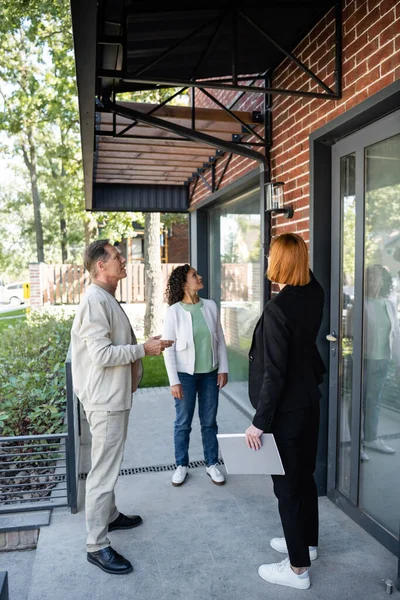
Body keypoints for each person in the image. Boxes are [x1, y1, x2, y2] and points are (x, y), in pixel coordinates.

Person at [71, 239, 173, 575]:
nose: (124, 260)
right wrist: (143, 349)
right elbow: (101, 356)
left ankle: (110, 517)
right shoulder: (94, 300)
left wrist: (144, 348)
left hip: (112, 399)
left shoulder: (103, 297)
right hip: (105, 402)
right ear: (101, 265)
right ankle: (96, 545)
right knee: (103, 471)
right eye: (117, 257)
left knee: (109, 464)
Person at [245, 233, 326, 591]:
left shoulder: (278, 309)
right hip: (309, 402)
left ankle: (296, 570)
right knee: (304, 478)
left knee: (288, 488)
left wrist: (259, 423)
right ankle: (306, 545)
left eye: (270, 256)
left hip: (287, 412)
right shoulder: (315, 291)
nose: (266, 261)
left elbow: (274, 374)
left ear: (279, 262)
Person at [162, 264, 229, 487]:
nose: (199, 277)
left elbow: (219, 338)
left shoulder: (210, 306)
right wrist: (174, 381)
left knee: (209, 422)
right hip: (185, 376)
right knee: (183, 422)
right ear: (184, 283)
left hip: (210, 374)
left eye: (198, 274)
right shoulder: (173, 312)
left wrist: (223, 368)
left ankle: (211, 464)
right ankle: (181, 465)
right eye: (194, 276)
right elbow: (168, 349)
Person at [361, 264, 400, 459]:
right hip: (363, 361)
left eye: (378, 277)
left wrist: (398, 361)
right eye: (371, 277)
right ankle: (357, 443)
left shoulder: (389, 304)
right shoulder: (360, 304)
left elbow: (395, 333)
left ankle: (371, 438)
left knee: (374, 401)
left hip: (383, 360)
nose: (374, 281)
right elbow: (350, 336)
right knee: (359, 401)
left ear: (384, 281)